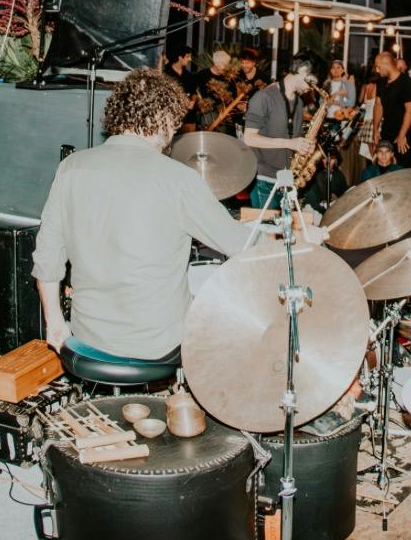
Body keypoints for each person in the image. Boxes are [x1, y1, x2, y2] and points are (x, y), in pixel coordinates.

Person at [34, 68, 252, 362]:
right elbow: (242, 246)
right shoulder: (177, 178)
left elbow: (47, 257)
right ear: (161, 119)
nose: (173, 134)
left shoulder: (71, 167)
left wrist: (56, 324)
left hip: (86, 339)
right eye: (174, 125)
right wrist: (291, 235)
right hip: (158, 346)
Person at [241, 56, 318, 208]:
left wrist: (304, 147)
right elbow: (248, 138)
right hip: (263, 179)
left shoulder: (299, 101)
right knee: (266, 230)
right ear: (302, 71)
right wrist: (291, 143)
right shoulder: (264, 97)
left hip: (286, 179)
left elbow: (291, 137)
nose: (314, 86)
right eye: (313, 81)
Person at [374, 52, 411, 158]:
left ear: (386, 64)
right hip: (386, 131)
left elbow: (410, 111)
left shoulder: (407, 82)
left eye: (378, 67)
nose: (377, 70)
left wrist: (402, 134)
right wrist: (375, 129)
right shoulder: (381, 82)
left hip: (404, 132)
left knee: (400, 168)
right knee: (384, 165)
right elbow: (378, 105)